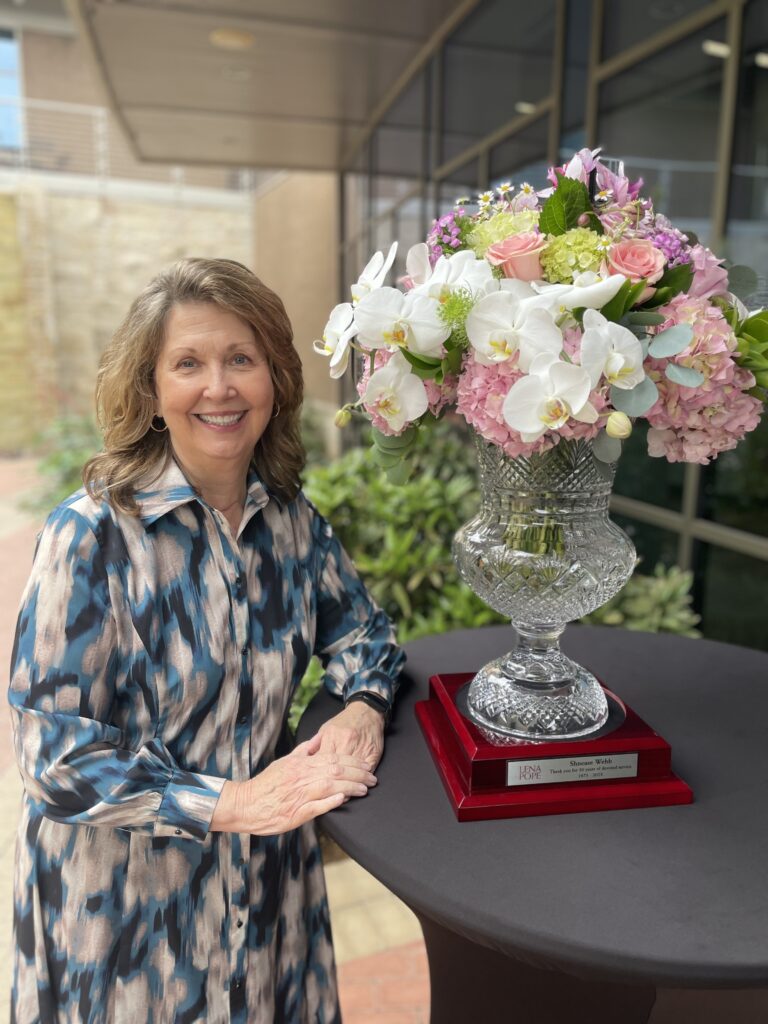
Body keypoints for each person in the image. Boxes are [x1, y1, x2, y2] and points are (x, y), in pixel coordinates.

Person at [8, 257, 405, 1023]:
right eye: (188, 363)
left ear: (274, 382)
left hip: (267, 903)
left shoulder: (291, 522)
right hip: (128, 924)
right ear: (152, 391)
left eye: (241, 360)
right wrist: (227, 802)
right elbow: (53, 758)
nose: (218, 387)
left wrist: (361, 703)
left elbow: (366, 635)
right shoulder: (90, 537)